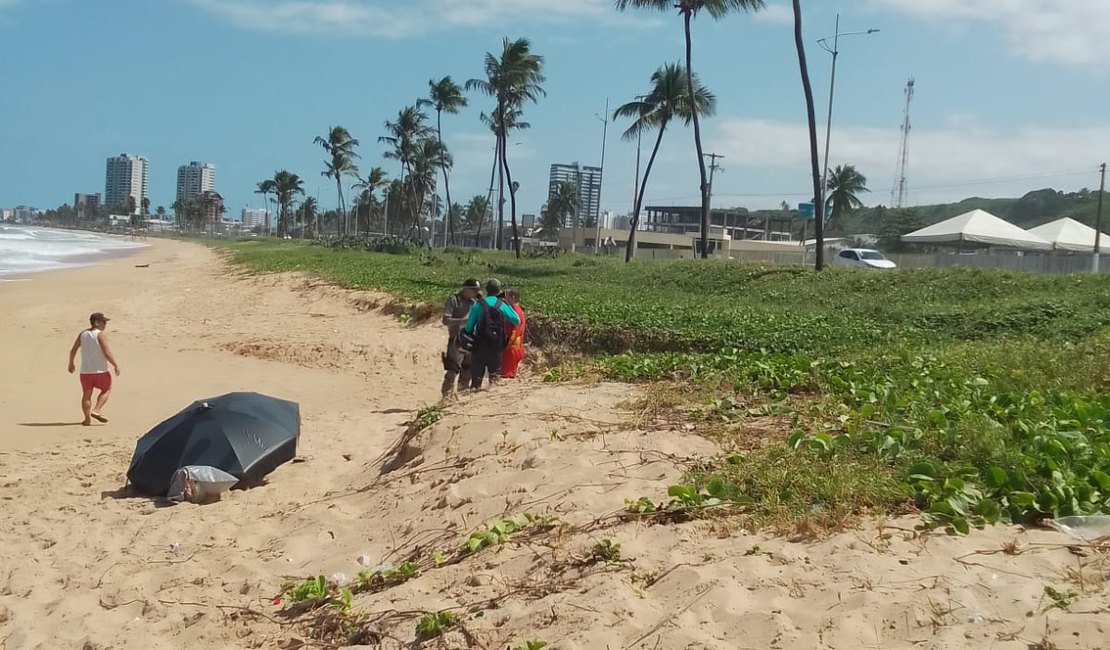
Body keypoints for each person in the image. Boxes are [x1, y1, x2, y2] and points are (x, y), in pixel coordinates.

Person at [461, 278, 520, 390]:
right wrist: (507, 303)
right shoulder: (501, 304)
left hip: (479, 347)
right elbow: (517, 320)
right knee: (494, 380)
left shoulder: (478, 304)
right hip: (496, 347)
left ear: (486, 290)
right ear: (499, 290)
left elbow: (468, 328)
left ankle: (474, 399)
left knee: (476, 381)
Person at [67, 312, 121, 426]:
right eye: (103, 322)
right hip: (100, 371)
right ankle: (97, 410)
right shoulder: (100, 334)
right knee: (106, 389)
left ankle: (87, 419)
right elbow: (106, 352)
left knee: (86, 395)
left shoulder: (83, 334)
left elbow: (73, 350)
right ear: (96, 323)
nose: (105, 325)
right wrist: (115, 364)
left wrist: (71, 363)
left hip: (85, 372)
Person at [441, 278, 480, 396]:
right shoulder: (454, 300)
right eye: (473, 290)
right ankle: (446, 396)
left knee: (467, 369)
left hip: (470, 340)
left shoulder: (474, 303)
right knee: (453, 369)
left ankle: (462, 394)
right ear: (466, 289)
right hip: (456, 340)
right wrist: (461, 321)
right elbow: (446, 320)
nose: (475, 293)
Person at [500, 287, 526, 379]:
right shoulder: (515, 310)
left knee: (507, 375)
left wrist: (507, 345)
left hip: (512, 348)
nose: (504, 299)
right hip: (514, 347)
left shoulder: (515, 312)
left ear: (513, 297)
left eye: (506, 296)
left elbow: (515, 332)